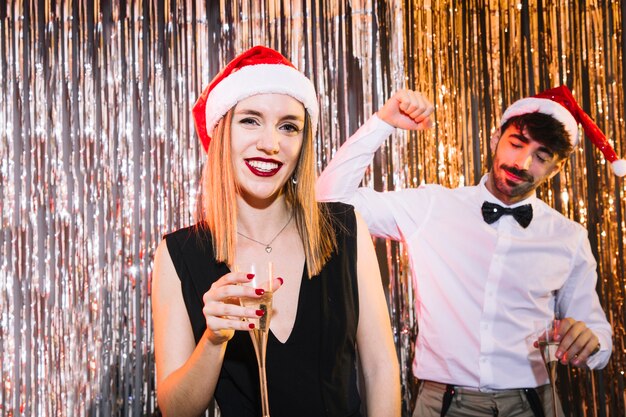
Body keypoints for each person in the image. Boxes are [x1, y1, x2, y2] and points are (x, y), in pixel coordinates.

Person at [317, 86, 624, 417]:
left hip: (534, 404)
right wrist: (383, 123)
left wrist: (591, 341)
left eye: (541, 156)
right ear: (495, 139)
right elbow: (328, 202)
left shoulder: (569, 237)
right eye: (517, 144)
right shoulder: (432, 206)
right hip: (444, 404)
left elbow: (599, 338)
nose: (522, 162)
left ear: (557, 168)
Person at [151, 46, 400, 417]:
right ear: (221, 134)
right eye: (250, 120)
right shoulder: (179, 253)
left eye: (289, 126)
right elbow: (176, 410)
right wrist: (213, 339)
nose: (271, 144)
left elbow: (380, 369)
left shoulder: (346, 229)